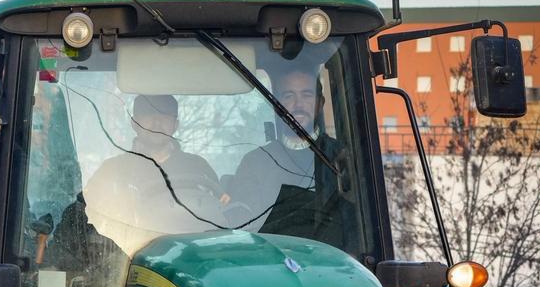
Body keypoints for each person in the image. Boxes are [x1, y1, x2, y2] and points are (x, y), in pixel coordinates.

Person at [224, 60, 350, 248]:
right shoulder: (255, 162)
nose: (298, 104)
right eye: (289, 96)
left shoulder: (343, 159)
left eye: (306, 95)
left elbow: (357, 228)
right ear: (277, 105)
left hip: (333, 265)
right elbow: (242, 227)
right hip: (269, 265)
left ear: (320, 103)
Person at [82, 94, 223, 255]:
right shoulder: (111, 171)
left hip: (192, 259)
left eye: (165, 117)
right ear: (134, 123)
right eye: (149, 116)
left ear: (175, 125)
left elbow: (221, 213)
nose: (157, 123)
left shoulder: (199, 167)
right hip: (128, 262)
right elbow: (88, 221)